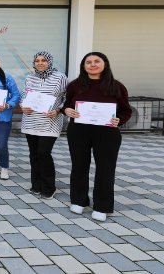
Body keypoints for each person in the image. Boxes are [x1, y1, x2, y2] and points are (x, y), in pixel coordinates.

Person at [63, 52, 131, 222]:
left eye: (96, 61)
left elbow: (126, 110)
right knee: (79, 166)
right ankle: (79, 201)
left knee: (105, 169)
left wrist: (119, 120)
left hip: (107, 133)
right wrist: (67, 110)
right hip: (79, 131)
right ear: (83, 66)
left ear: (105, 64)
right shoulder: (75, 86)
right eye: (88, 62)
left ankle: (102, 206)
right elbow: (66, 104)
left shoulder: (116, 86)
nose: (92, 65)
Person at [20, 51, 68, 199]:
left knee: (43, 153)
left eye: (44, 60)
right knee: (34, 155)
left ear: (50, 62)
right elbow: (24, 96)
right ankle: (36, 185)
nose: (40, 63)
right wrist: (23, 105)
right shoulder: (29, 77)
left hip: (50, 122)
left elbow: (68, 98)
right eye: (37, 60)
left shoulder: (60, 77)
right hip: (30, 120)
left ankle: (49, 187)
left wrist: (59, 110)